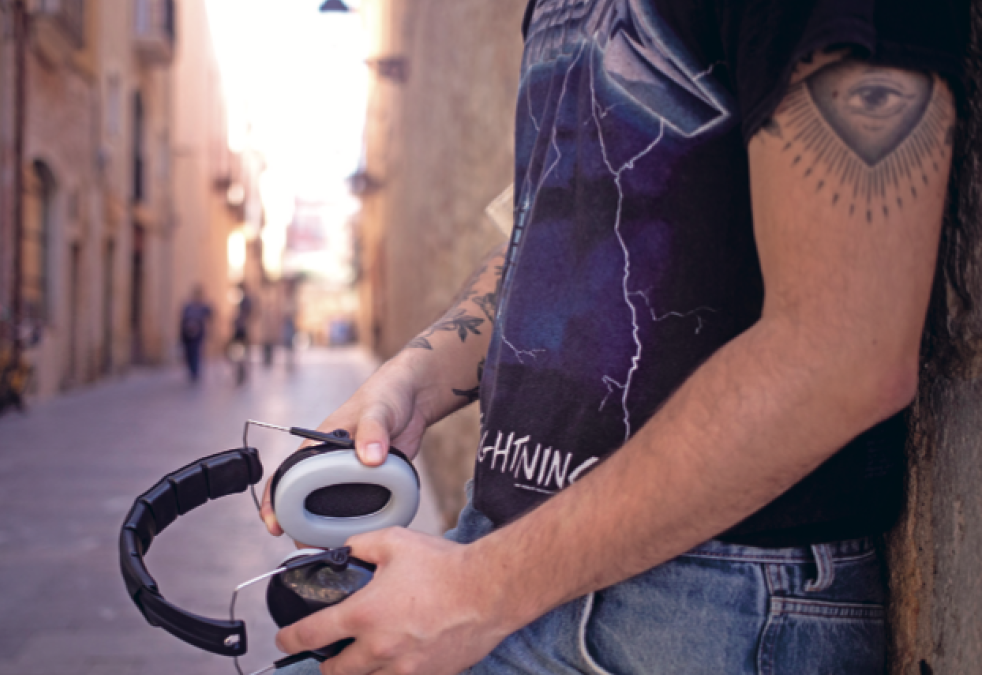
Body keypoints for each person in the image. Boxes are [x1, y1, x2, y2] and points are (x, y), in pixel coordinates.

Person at [259, 0, 967, 673]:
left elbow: (846, 350)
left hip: (709, 607)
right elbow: (546, 232)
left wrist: (481, 589)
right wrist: (411, 380)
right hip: (505, 558)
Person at [179, 285, 213, 382]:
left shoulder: (203, 306)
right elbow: (183, 319)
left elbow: (211, 314)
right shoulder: (188, 306)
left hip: (198, 333)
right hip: (187, 333)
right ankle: (192, 370)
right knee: (189, 352)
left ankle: (195, 372)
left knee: (196, 351)